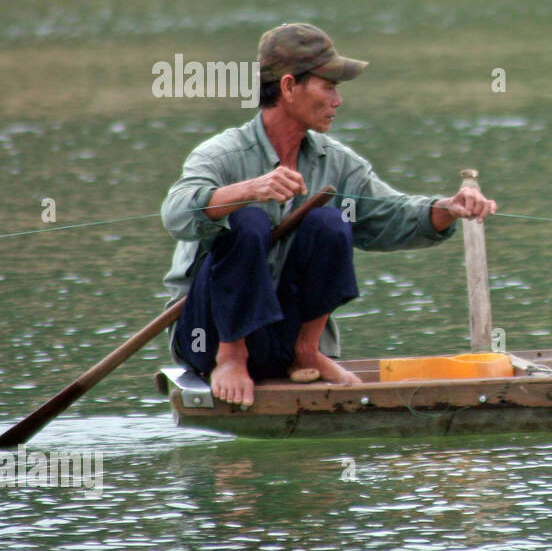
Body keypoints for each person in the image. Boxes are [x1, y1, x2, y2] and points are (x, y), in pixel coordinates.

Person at [161, 22, 496, 406]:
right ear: (288, 87)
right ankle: (233, 358)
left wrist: (447, 209)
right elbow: (175, 215)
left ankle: (308, 350)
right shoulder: (221, 154)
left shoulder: (335, 162)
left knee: (331, 221)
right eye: (329, 86)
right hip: (208, 334)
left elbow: (388, 216)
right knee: (248, 221)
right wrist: (249, 190)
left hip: (281, 340)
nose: (337, 101)